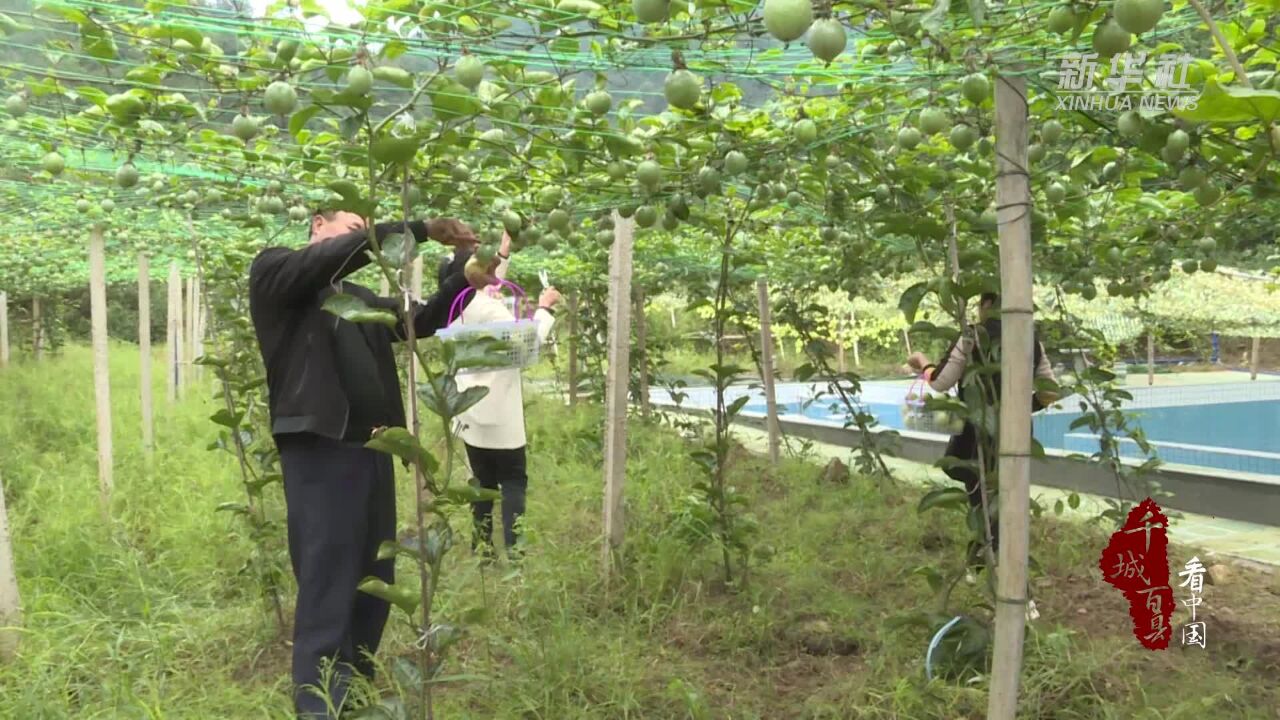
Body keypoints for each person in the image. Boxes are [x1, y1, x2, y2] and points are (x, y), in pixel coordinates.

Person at [248, 209, 496, 719]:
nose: (363, 238)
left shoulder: (358, 301)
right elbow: (340, 255)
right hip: (319, 449)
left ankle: (353, 688)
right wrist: (416, 229)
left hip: (375, 451)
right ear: (317, 224)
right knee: (328, 576)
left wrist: (464, 268)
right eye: (353, 226)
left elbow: (423, 320)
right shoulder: (276, 274)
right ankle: (318, 705)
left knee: (372, 576)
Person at [906, 292, 1058, 556]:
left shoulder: (971, 336)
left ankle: (990, 558)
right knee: (1005, 492)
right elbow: (1050, 391)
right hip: (1017, 430)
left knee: (977, 488)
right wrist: (1020, 410)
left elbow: (941, 381)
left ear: (987, 305)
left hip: (977, 429)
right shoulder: (1030, 338)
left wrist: (922, 363)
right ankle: (989, 558)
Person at [439, 231, 560, 560]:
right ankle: (516, 551)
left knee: (480, 480)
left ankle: (482, 549)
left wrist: (504, 249)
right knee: (513, 480)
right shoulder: (492, 312)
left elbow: (488, 288)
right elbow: (527, 342)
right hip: (501, 414)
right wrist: (545, 308)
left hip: (470, 410)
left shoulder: (455, 304)